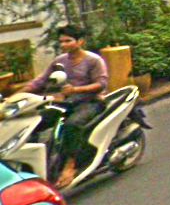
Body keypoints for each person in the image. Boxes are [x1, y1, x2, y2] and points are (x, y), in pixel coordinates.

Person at [23, 25, 108, 188]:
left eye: (68, 41)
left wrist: (76, 90)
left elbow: (101, 84)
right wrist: (15, 96)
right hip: (66, 103)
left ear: (80, 41)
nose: (63, 44)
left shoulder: (94, 60)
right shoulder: (59, 61)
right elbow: (39, 82)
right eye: (61, 41)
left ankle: (70, 165)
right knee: (34, 121)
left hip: (90, 102)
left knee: (72, 125)